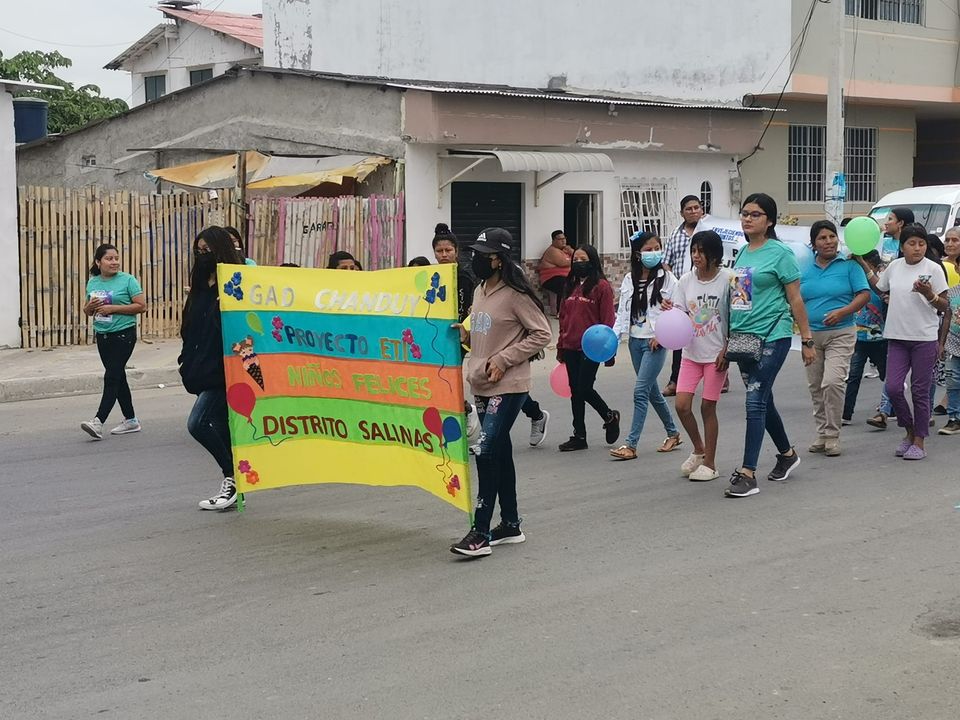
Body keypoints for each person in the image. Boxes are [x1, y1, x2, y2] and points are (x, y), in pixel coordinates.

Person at [450, 227, 551, 558]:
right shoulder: (480, 290)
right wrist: (465, 334)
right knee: (500, 453)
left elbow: (542, 333)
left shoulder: (516, 294)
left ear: (497, 260)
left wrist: (504, 359)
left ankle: (480, 533)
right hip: (480, 383)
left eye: (482, 255)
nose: (474, 259)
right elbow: (486, 330)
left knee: (486, 451)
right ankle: (510, 524)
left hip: (509, 386)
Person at [724, 193, 816, 498]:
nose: (748, 218)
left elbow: (795, 298)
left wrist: (807, 339)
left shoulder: (780, 253)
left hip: (773, 335)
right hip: (744, 339)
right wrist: (728, 340)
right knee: (764, 400)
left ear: (770, 221)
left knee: (754, 400)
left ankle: (747, 473)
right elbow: (739, 301)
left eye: (755, 214)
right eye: (745, 213)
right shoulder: (742, 253)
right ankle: (787, 454)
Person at [858, 223, 949, 460]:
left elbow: (944, 305)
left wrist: (929, 294)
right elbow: (880, 287)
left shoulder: (934, 268)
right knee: (893, 387)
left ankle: (919, 441)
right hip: (897, 337)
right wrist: (862, 263)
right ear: (902, 246)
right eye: (912, 243)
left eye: (921, 243)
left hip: (924, 339)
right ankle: (909, 430)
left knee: (920, 392)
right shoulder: (895, 267)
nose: (917, 248)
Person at [179, 227, 245, 510]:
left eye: (208, 250)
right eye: (199, 251)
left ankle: (234, 478)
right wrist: (186, 361)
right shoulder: (199, 287)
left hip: (225, 371)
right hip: (201, 369)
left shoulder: (236, 284)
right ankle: (238, 479)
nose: (203, 255)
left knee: (198, 423)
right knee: (219, 425)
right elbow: (191, 328)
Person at [609, 231, 683, 460]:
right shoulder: (629, 279)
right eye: (648, 249)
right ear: (637, 254)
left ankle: (631, 445)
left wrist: (662, 334)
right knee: (652, 392)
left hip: (655, 343)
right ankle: (673, 433)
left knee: (640, 391)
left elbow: (680, 309)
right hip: (635, 341)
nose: (654, 253)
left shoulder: (668, 279)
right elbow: (623, 313)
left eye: (657, 248)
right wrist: (613, 339)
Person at [799, 220, 870, 456]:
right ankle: (821, 433)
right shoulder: (804, 268)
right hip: (811, 336)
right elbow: (796, 299)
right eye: (822, 238)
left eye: (832, 237)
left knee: (832, 382)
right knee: (815, 385)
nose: (828, 242)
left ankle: (833, 435)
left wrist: (843, 312)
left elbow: (864, 294)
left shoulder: (849, 266)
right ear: (813, 244)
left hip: (841, 333)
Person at [671, 230, 731, 481]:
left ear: (714, 254)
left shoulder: (728, 279)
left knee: (708, 406)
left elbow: (737, 316)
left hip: (716, 354)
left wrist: (727, 349)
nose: (696, 256)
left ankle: (710, 464)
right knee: (682, 405)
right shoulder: (685, 281)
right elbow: (678, 313)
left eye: (701, 252)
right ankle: (698, 449)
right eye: (693, 251)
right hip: (691, 353)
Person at [555, 244, 619, 451]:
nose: (579, 263)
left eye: (583, 260)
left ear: (592, 261)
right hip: (570, 345)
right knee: (575, 391)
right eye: (575, 260)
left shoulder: (601, 287)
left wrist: (609, 351)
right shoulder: (569, 285)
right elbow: (563, 317)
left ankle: (609, 416)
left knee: (584, 388)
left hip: (592, 348)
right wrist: (561, 345)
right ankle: (579, 435)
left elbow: (608, 320)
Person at [80, 243, 147, 439]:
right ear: (98, 262)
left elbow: (141, 306)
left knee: (111, 377)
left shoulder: (128, 280)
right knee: (118, 377)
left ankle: (98, 421)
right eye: (109, 259)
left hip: (123, 334)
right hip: (103, 335)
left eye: (116, 258)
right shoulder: (93, 283)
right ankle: (131, 420)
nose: (114, 262)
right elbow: (87, 310)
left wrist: (113, 308)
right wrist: (89, 307)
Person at [662, 195, 705, 397]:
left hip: (705, 292)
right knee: (681, 335)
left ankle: (720, 375)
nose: (693, 211)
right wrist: (673, 282)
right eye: (689, 209)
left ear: (702, 210)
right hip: (682, 294)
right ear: (682, 213)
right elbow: (666, 261)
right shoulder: (675, 235)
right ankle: (675, 380)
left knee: (709, 333)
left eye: (697, 207)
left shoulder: (709, 232)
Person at [842, 251, 889, 427]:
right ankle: (846, 413)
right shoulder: (855, 286)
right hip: (859, 339)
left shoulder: (880, 288)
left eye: (866, 266)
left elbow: (884, 295)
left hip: (880, 340)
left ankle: (890, 407)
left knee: (887, 376)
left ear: (875, 267)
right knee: (854, 376)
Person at [938, 265, 960, 435]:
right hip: (953, 345)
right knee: (952, 382)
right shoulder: (952, 292)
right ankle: (954, 419)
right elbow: (947, 318)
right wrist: (942, 343)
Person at [538, 230, 573, 314]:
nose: (563, 241)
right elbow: (564, 263)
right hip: (550, 279)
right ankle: (560, 311)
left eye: (564, 238)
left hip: (563, 277)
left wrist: (571, 252)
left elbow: (575, 259)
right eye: (560, 239)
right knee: (564, 284)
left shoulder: (564, 250)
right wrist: (572, 255)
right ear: (553, 241)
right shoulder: (552, 251)